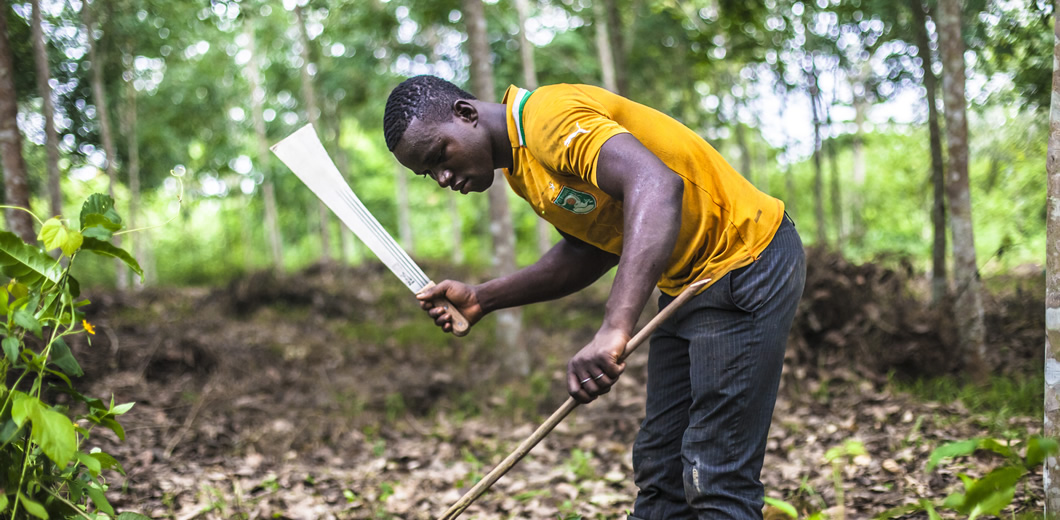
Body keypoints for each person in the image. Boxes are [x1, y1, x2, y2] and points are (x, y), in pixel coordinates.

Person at [382, 75, 806, 520]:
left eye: (439, 157)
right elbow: (592, 248)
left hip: (744, 259)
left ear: (466, 114)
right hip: (688, 285)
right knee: (661, 471)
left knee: (714, 474)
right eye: (428, 173)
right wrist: (484, 299)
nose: (442, 178)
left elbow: (657, 186)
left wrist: (615, 327)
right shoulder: (522, 170)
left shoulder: (549, 117)